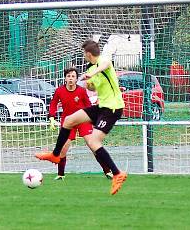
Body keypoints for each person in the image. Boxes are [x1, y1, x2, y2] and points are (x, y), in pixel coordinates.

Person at [36, 39, 128, 195]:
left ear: (88, 54)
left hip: (112, 108)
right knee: (68, 120)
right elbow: (93, 85)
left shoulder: (103, 60)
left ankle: (117, 173)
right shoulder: (90, 67)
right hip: (102, 106)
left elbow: (104, 66)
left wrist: (91, 74)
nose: (84, 56)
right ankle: (55, 155)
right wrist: (90, 82)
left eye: (84, 53)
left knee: (93, 141)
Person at [48, 67, 112, 180]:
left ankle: (107, 171)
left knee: (93, 145)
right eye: (68, 76)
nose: (71, 78)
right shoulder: (59, 91)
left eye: (73, 76)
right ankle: (60, 174)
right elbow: (53, 103)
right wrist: (52, 117)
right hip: (68, 122)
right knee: (63, 148)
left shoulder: (81, 91)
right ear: (65, 78)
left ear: (77, 79)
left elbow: (88, 106)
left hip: (82, 120)